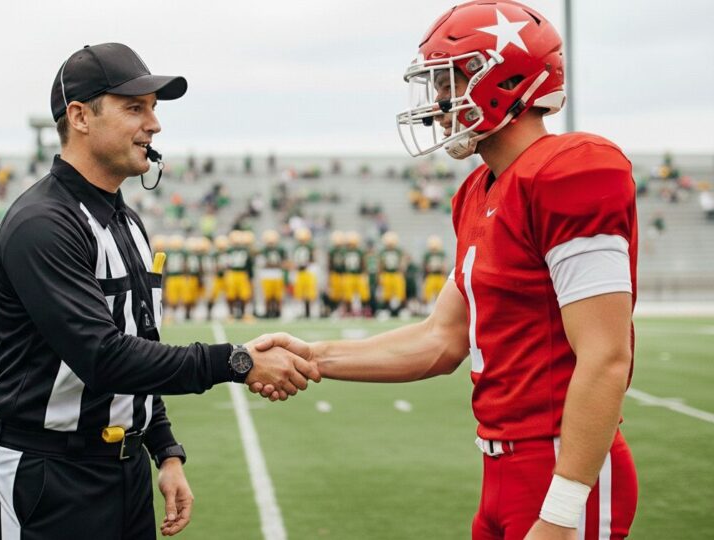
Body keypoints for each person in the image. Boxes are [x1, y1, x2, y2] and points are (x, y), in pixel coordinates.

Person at [254, 2, 638, 538]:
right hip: (500, 466)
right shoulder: (478, 192)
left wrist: (562, 511)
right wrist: (312, 356)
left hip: (561, 465)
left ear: (503, 79)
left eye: (446, 83)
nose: (437, 104)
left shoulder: (571, 172)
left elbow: (606, 355)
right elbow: (440, 339)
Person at [0, 42, 318, 540]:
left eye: (153, 108)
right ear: (80, 116)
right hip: (48, 476)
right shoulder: (43, 224)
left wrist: (164, 449)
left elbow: (140, 347)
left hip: (124, 469)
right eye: (135, 108)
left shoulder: (126, 221)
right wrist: (235, 362)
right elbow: (103, 357)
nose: (154, 124)